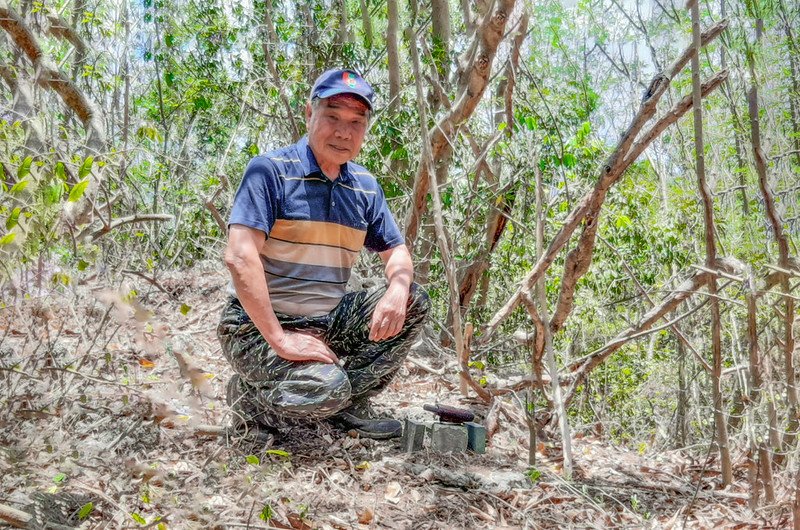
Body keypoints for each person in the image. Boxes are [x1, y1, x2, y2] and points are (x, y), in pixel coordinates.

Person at [218, 68, 429, 440]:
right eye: (332, 116)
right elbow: (239, 256)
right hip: (256, 327)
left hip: (328, 322)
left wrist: (397, 289)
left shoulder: (364, 187)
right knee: (325, 390)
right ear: (309, 114)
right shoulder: (270, 172)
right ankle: (251, 400)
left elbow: (396, 250)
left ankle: (348, 406)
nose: (343, 132)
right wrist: (280, 340)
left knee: (414, 300)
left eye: (355, 122)